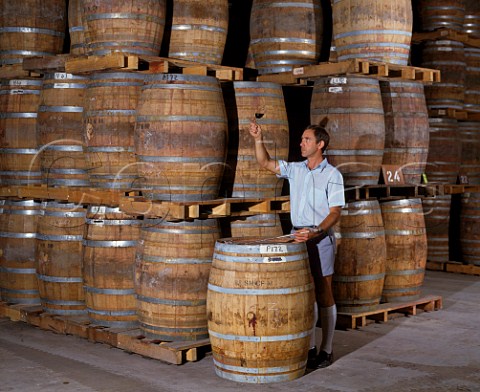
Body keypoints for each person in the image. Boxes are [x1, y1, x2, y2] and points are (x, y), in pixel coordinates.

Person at [249, 118, 345, 369]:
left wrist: (316, 231)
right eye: (302, 139)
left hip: (320, 238)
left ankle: (327, 349)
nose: (301, 143)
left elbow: (335, 212)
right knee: (305, 293)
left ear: (320, 144)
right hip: (296, 238)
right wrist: (258, 139)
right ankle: (310, 346)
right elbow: (265, 162)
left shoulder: (333, 175)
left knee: (324, 292)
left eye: (306, 140)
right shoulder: (296, 169)